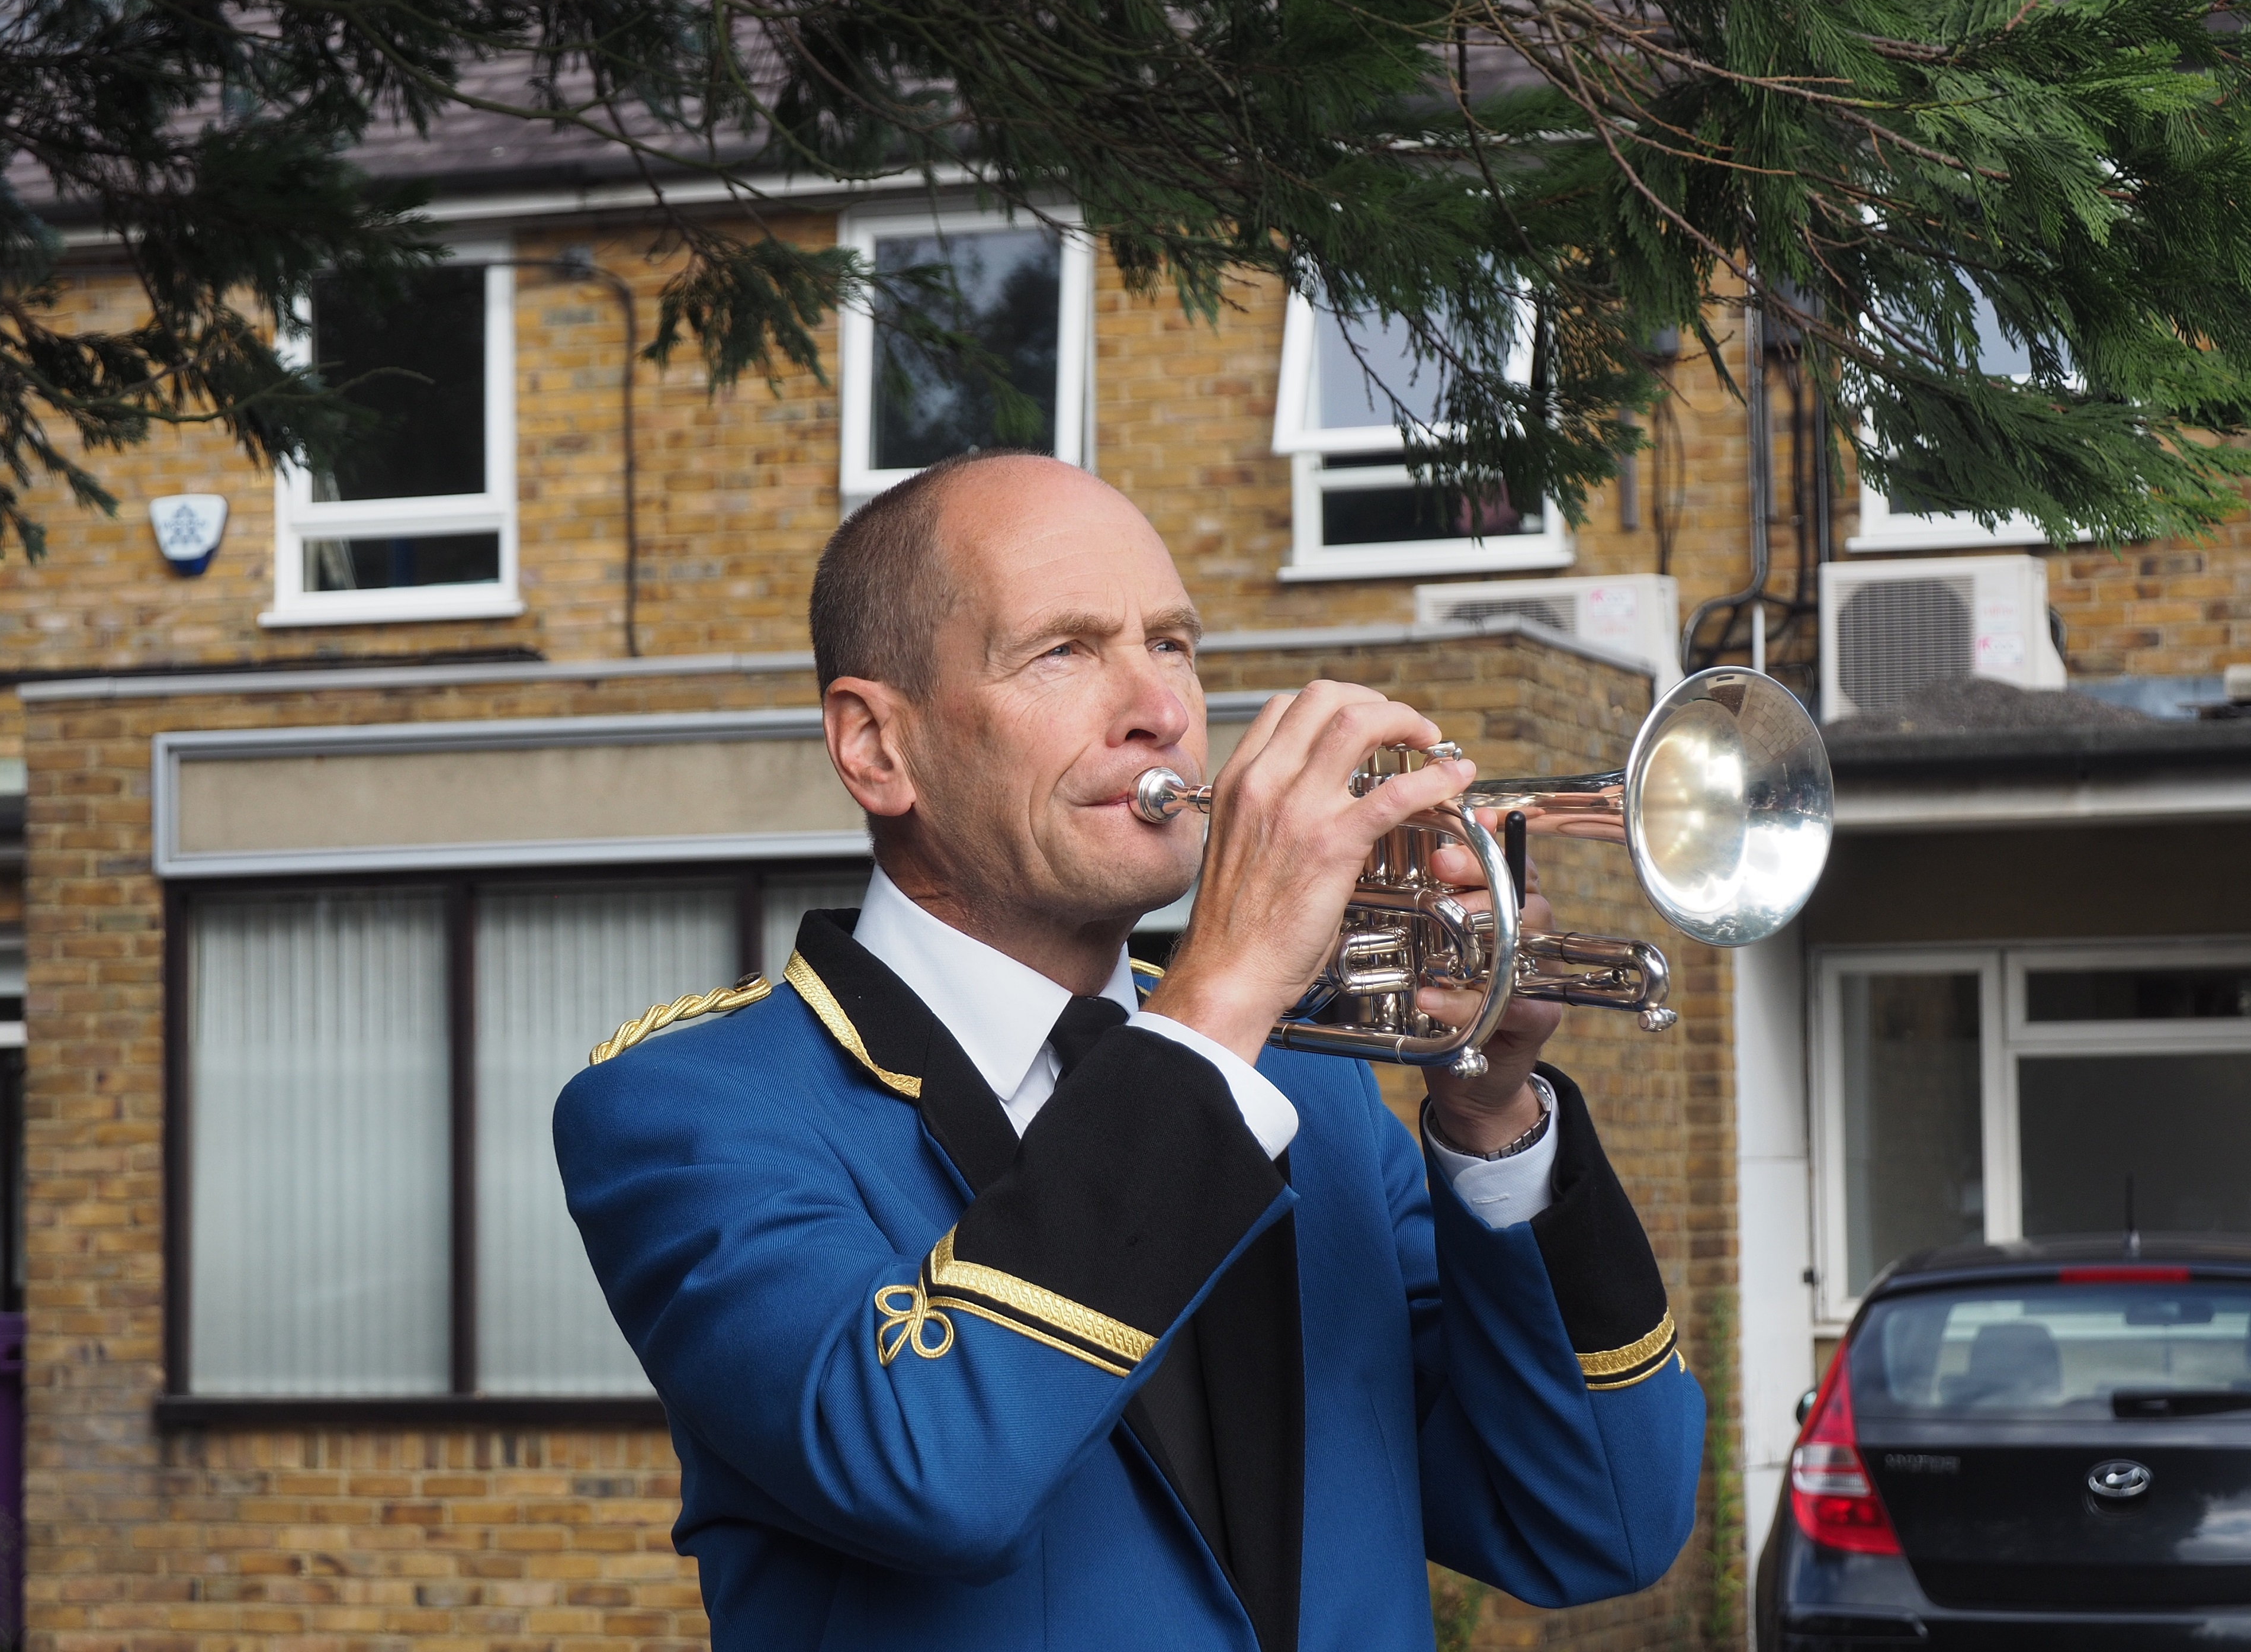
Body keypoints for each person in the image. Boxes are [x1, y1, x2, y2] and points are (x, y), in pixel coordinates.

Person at [555, 452, 1704, 1652]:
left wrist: (1488, 1108)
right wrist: (1218, 1004)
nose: (1160, 706)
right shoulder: (691, 1111)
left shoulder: (1307, 1081)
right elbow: (927, 1467)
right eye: (1062, 650)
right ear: (873, 750)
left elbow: (1595, 1525)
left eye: (1171, 644)